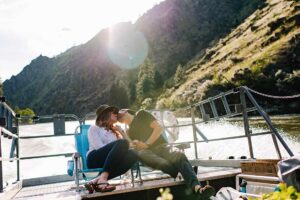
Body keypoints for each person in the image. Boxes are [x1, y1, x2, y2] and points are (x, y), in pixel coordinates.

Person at [117, 109, 216, 199]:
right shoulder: (129, 131)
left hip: (162, 146)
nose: (118, 116)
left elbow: (159, 128)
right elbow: (133, 146)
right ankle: (181, 169)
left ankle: (198, 188)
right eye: (117, 117)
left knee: (179, 154)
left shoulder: (141, 114)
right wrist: (122, 133)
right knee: (146, 156)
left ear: (125, 110)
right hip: (147, 153)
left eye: (119, 113)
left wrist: (147, 144)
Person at [84, 104, 138, 193]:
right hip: (94, 159)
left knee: (134, 154)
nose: (116, 113)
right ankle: (102, 179)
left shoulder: (114, 132)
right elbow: (99, 147)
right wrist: (116, 151)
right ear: (105, 115)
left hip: (109, 162)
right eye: (112, 112)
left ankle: (96, 181)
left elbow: (129, 146)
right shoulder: (94, 128)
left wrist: (121, 131)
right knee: (122, 143)